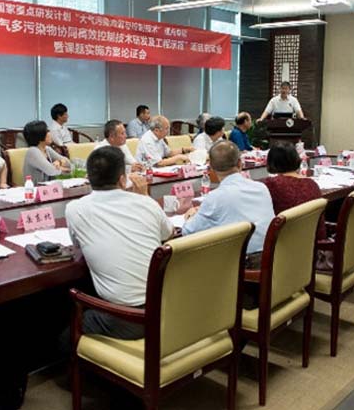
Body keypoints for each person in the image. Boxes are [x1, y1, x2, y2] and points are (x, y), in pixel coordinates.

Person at [65, 147, 173, 339]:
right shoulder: (146, 203)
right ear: (123, 179)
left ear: (88, 178)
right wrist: (144, 195)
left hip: (131, 319)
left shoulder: (74, 209)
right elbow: (169, 233)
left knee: (63, 336)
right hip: (169, 308)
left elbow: (77, 244)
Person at [182, 141, 274, 269]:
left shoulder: (215, 198)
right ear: (240, 164)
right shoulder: (261, 188)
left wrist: (191, 216)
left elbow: (188, 232)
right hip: (272, 259)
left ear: (210, 168)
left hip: (241, 266)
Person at [264, 141, 326, 241]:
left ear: (271, 162)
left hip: (282, 242)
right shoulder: (312, 184)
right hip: (311, 244)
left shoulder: (271, 184)